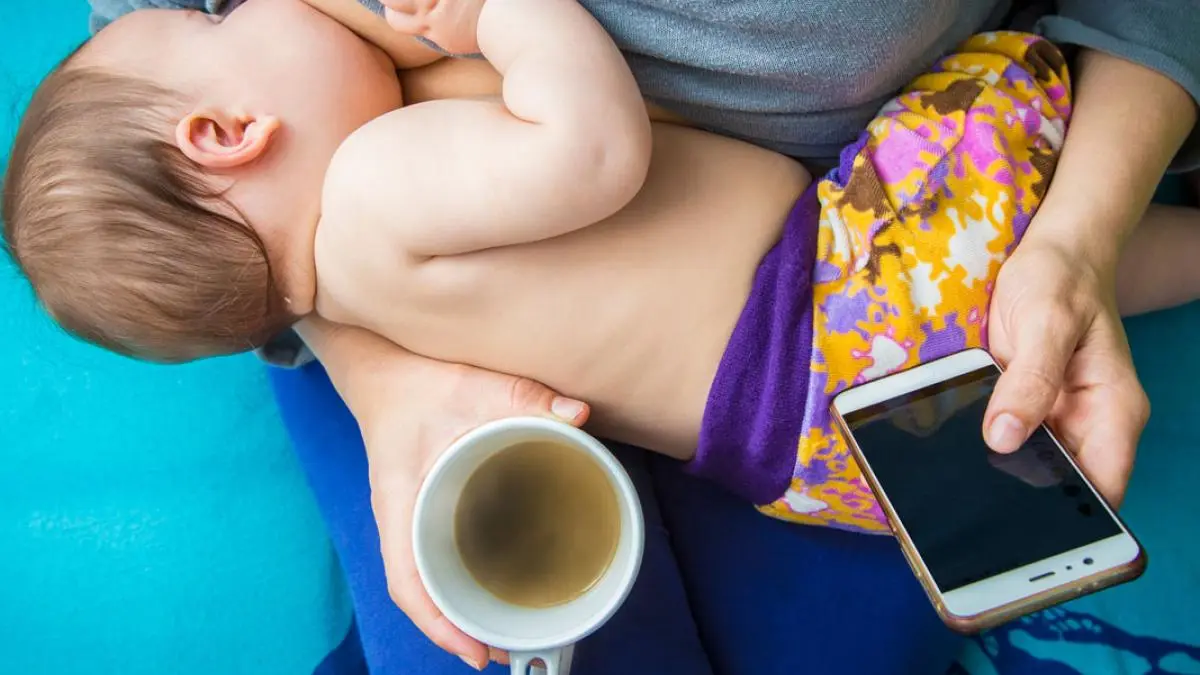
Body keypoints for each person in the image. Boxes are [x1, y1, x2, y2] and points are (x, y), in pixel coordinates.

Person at [69, 0, 1200, 672]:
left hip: (798, 448)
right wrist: (505, 17)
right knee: (1010, 197)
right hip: (845, 284)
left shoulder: (352, 255)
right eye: (217, 13)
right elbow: (595, 150)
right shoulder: (373, 178)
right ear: (226, 133)